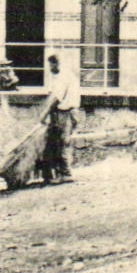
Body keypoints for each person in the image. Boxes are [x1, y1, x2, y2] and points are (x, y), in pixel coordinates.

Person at [37, 54, 81, 184]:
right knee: (55, 142)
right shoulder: (56, 76)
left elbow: (57, 98)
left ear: (57, 64)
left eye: (52, 64)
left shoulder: (63, 76)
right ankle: (55, 173)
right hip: (61, 112)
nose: (50, 67)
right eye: (49, 64)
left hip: (67, 112)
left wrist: (44, 114)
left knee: (62, 142)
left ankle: (66, 174)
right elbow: (52, 94)